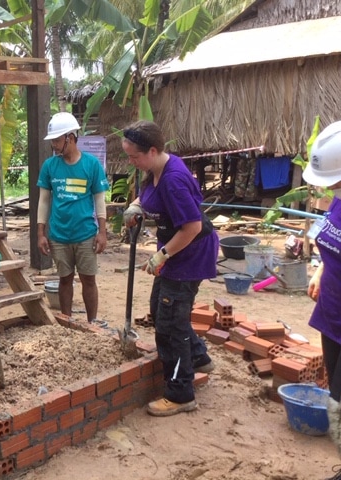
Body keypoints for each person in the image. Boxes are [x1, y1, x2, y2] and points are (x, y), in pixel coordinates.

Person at [121, 120, 218, 417]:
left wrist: (162, 255)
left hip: (190, 252)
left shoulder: (174, 178)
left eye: (134, 156)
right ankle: (199, 357)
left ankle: (180, 394)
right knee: (161, 307)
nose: (131, 161)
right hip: (176, 250)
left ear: (152, 150)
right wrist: (136, 205)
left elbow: (192, 226)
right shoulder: (153, 169)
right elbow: (148, 193)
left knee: (169, 323)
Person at [37, 112, 109, 325]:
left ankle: (92, 322)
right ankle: (66, 321)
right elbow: (44, 201)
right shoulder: (50, 166)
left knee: (88, 279)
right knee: (64, 279)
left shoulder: (91, 165)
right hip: (59, 234)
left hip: (86, 234)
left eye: (58, 140)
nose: (55, 146)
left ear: (71, 137)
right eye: (53, 141)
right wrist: (41, 233)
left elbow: (99, 200)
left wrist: (102, 232)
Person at [302, 121, 341, 466]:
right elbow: (330, 239)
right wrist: (321, 268)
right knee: (336, 396)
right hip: (332, 313)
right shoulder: (339, 202)